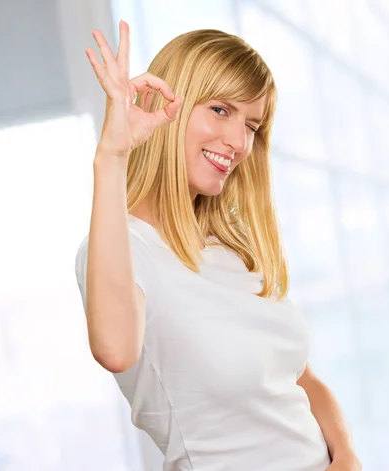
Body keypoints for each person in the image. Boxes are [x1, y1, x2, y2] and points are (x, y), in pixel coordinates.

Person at [74, 21, 360, 471]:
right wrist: (111, 156)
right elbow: (114, 349)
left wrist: (346, 456)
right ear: (169, 105)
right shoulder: (124, 249)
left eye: (252, 124)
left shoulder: (232, 246)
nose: (239, 142)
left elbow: (299, 378)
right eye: (221, 110)